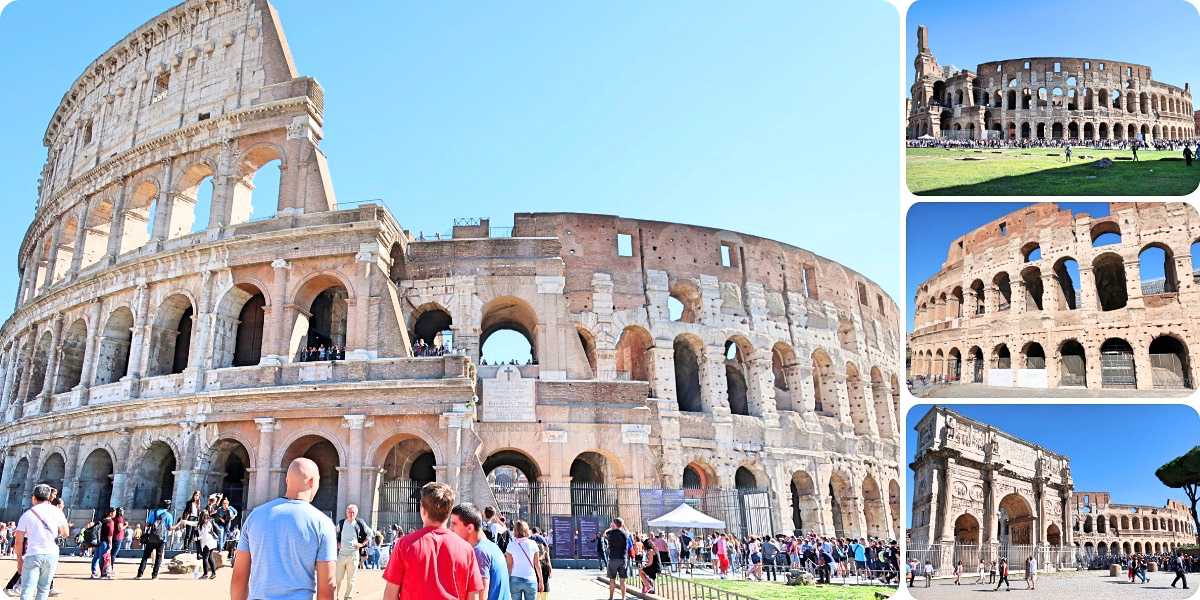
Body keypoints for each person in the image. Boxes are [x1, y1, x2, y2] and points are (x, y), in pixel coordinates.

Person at [230, 458, 337, 600]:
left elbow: (239, 577)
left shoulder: (254, 516)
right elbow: (326, 589)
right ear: (312, 482)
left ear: (287, 480)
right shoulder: (323, 523)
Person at [382, 482, 483, 600]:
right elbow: (473, 596)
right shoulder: (466, 549)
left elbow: (390, 595)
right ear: (449, 512)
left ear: (423, 510)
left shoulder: (405, 545)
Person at [13, 485, 68, 600]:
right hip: (51, 554)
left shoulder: (27, 515)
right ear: (49, 497)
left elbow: (18, 541)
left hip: (33, 554)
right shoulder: (57, 512)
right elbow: (65, 533)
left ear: (33, 498)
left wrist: (19, 559)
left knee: (27, 589)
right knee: (43, 589)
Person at [449, 504, 510, 600]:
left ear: (470, 528)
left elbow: (480, 597)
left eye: (454, 524)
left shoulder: (479, 553)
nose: (450, 529)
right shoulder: (492, 547)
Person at [335, 505, 370, 600]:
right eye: (349, 512)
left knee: (351, 579)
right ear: (346, 513)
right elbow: (334, 533)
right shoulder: (341, 523)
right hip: (341, 555)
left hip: (353, 555)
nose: (351, 514)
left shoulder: (360, 524)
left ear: (356, 513)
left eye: (353, 512)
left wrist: (361, 544)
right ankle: (336, 596)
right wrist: (337, 543)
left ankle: (348, 597)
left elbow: (370, 534)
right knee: (338, 578)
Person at [504, 521, 542, 600]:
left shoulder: (511, 545)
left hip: (515, 578)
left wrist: (507, 580)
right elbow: (537, 564)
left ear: (515, 530)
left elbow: (509, 566)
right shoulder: (533, 544)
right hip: (530, 579)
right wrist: (541, 581)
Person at [136, 500, 173, 579]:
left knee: (145, 556)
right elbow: (169, 528)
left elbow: (148, 524)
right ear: (168, 506)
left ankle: (139, 574)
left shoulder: (154, 513)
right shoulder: (169, 515)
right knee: (158, 557)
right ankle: (154, 575)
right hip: (162, 539)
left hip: (151, 537)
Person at [604, 518, 628, 600]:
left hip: (613, 559)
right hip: (622, 559)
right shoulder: (625, 533)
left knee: (612, 580)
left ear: (614, 524)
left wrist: (611, 527)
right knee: (622, 580)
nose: (611, 523)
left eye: (612, 522)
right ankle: (623, 598)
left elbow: (604, 534)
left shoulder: (610, 533)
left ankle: (611, 597)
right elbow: (626, 531)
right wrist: (621, 526)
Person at [91, 508, 115, 579]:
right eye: (114, 512)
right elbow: (110, 535)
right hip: (105, 542)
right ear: (110, 513)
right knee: (104, 558)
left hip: (98, 541)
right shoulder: (110, 522)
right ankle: (103, 574)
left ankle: (94, 572)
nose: (115, 514)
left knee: (96, 557)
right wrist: (110, 544)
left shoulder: (101, 520)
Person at [196, 512, 219, 580]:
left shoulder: (207, 523)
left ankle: (205, 574)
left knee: (205, 558)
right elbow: (192, 523)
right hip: (209, 542)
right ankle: (213, 573)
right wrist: (183, 521)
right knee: (210, 557)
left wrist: (197, 538)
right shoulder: (202, 523)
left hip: (208, 542)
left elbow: (205, 535)